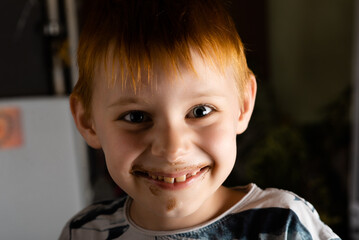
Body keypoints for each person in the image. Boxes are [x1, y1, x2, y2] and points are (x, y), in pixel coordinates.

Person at [59, 0, 340, 239]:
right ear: (88, 122)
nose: (172, 148)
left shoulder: (283, 225)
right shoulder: (85, 232)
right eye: (136, 117)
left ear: (242, 105)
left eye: (200, 111)